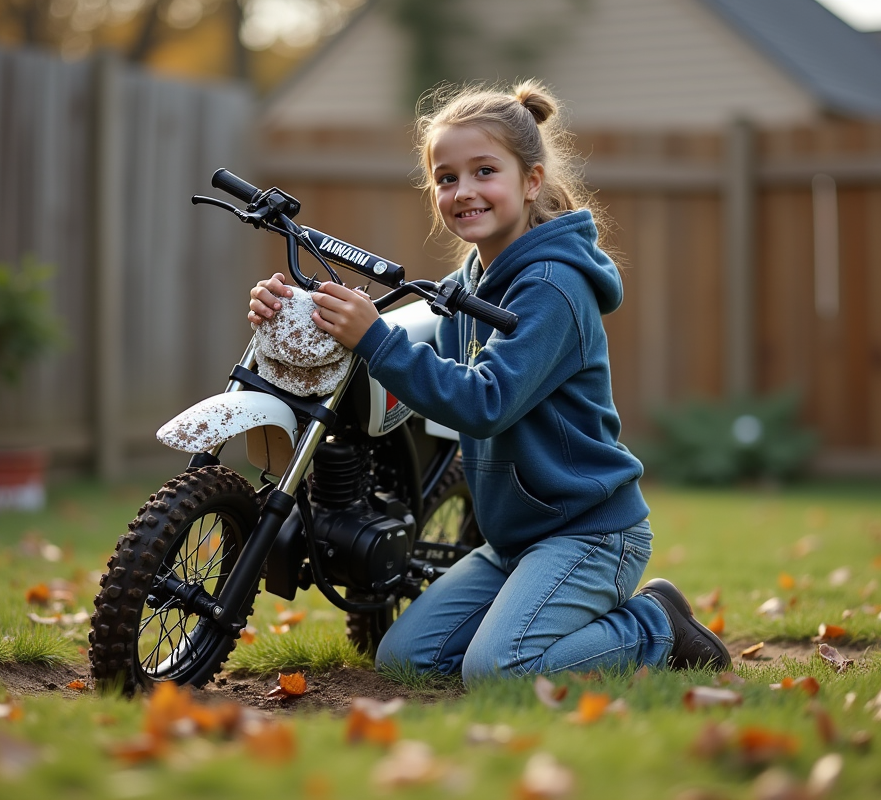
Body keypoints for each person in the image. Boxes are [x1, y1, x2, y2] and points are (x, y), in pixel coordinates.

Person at [248, 80, 730, 683]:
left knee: (499, 669)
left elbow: (485, 401)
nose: (463, 191)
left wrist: (371, 336)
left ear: (531, 181)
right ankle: (541, 620)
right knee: (406, 659)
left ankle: (655, 625)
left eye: (484, 171)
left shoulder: (554, 287)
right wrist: (306, 312)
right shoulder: (472, 283)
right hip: (512, 542)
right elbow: (413, 361)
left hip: (589, 533)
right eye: (446, 178)